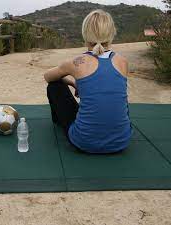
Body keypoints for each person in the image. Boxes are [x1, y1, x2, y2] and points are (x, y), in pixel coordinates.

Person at [44, 9, 132, 154]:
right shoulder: (123, 62)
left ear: (85, 34)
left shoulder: (76, 62)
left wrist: (72, 82)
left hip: (83, 141)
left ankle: (59, 122)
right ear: (111, 33)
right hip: (121, 141)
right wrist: (78, 83)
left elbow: (47, 76)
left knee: (55, 85)